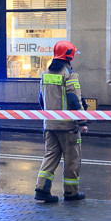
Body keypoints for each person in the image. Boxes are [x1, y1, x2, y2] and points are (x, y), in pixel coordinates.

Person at [34, 40, 87, 203]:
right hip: (68, 127)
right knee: (72, 160)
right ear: (69, 55)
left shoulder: (45, 74)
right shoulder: (69, 74)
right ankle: (71, 193)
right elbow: (73, 100)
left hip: (49, 125)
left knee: (50, 156)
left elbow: (41, 100)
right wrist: (82, 121)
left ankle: (42, 190)